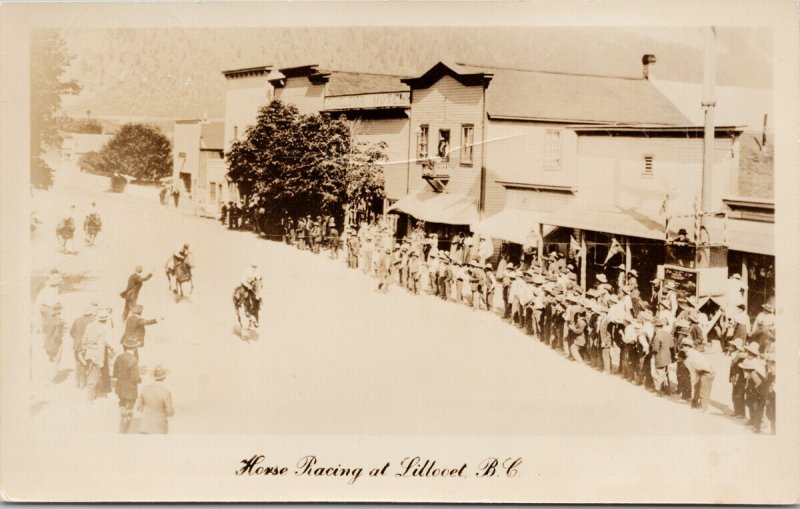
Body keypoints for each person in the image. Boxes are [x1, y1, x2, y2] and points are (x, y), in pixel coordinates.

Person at [81, 309, 113, 401]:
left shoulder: (89, 325)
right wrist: (101, 361)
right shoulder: (101, 329)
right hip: (96, 355)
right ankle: (91, 397)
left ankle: (92, 394)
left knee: (90, 373)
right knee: (95, 376)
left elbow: (84, 339)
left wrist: (85, 349)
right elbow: (101, 346)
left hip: (88, 353)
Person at [114, 337, 142, 433]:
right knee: (130, 406)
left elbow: (114, 373)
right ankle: (125, 426)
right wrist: (140, 379)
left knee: (122, 402)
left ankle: (123, 414)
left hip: (120, 388)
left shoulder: (119, 357)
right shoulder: (134, 360)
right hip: (130, 389)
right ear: (134, 348)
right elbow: (135, 378)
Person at [136, 365, 174, 434]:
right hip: (159, 427)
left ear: (154, 377)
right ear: (164, 378)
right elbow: (170, 412)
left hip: (144, 426)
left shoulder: (145, 389)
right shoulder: (166, 392)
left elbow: (139, 408)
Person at [682, 338, 715, 412]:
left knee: (703, 390)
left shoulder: (690, 358)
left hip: (707, 372)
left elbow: (693, 374)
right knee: (698, 388)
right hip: (703, 371)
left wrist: (694, 383)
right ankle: (697, 404)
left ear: (689, 347)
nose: (684, 348)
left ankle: (703, 408)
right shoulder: (692, 354)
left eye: (685, 346)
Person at [69, 304, 96, 389]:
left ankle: (77, 382)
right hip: (87, 346)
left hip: (77, 346)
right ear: (90, 313)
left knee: (78, 364)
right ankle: (83, 382)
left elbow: (71, 332)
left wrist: (76, 339)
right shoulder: (92, 321)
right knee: (86, 364)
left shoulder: (77, 320)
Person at [41, 301, 65, 384]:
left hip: (47, 344)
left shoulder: (49, 319)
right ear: (60, 311)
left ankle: (47, 377)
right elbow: (58, 335)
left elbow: (44, 331)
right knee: (56, 362)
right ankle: (50, 379)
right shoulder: (59, 322)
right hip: (55, 344)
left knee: (50, 361)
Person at [728, 338, 748, 418]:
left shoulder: (740, 355)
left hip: (740, 378)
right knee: (734, 395)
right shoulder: (736, 355)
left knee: (739, 395)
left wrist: (736, 377)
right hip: (735, 377)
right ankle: (736, 411)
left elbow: (739, 369)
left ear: (735, 347)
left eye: (731, 346)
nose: (729, 347)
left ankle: (741, 413)